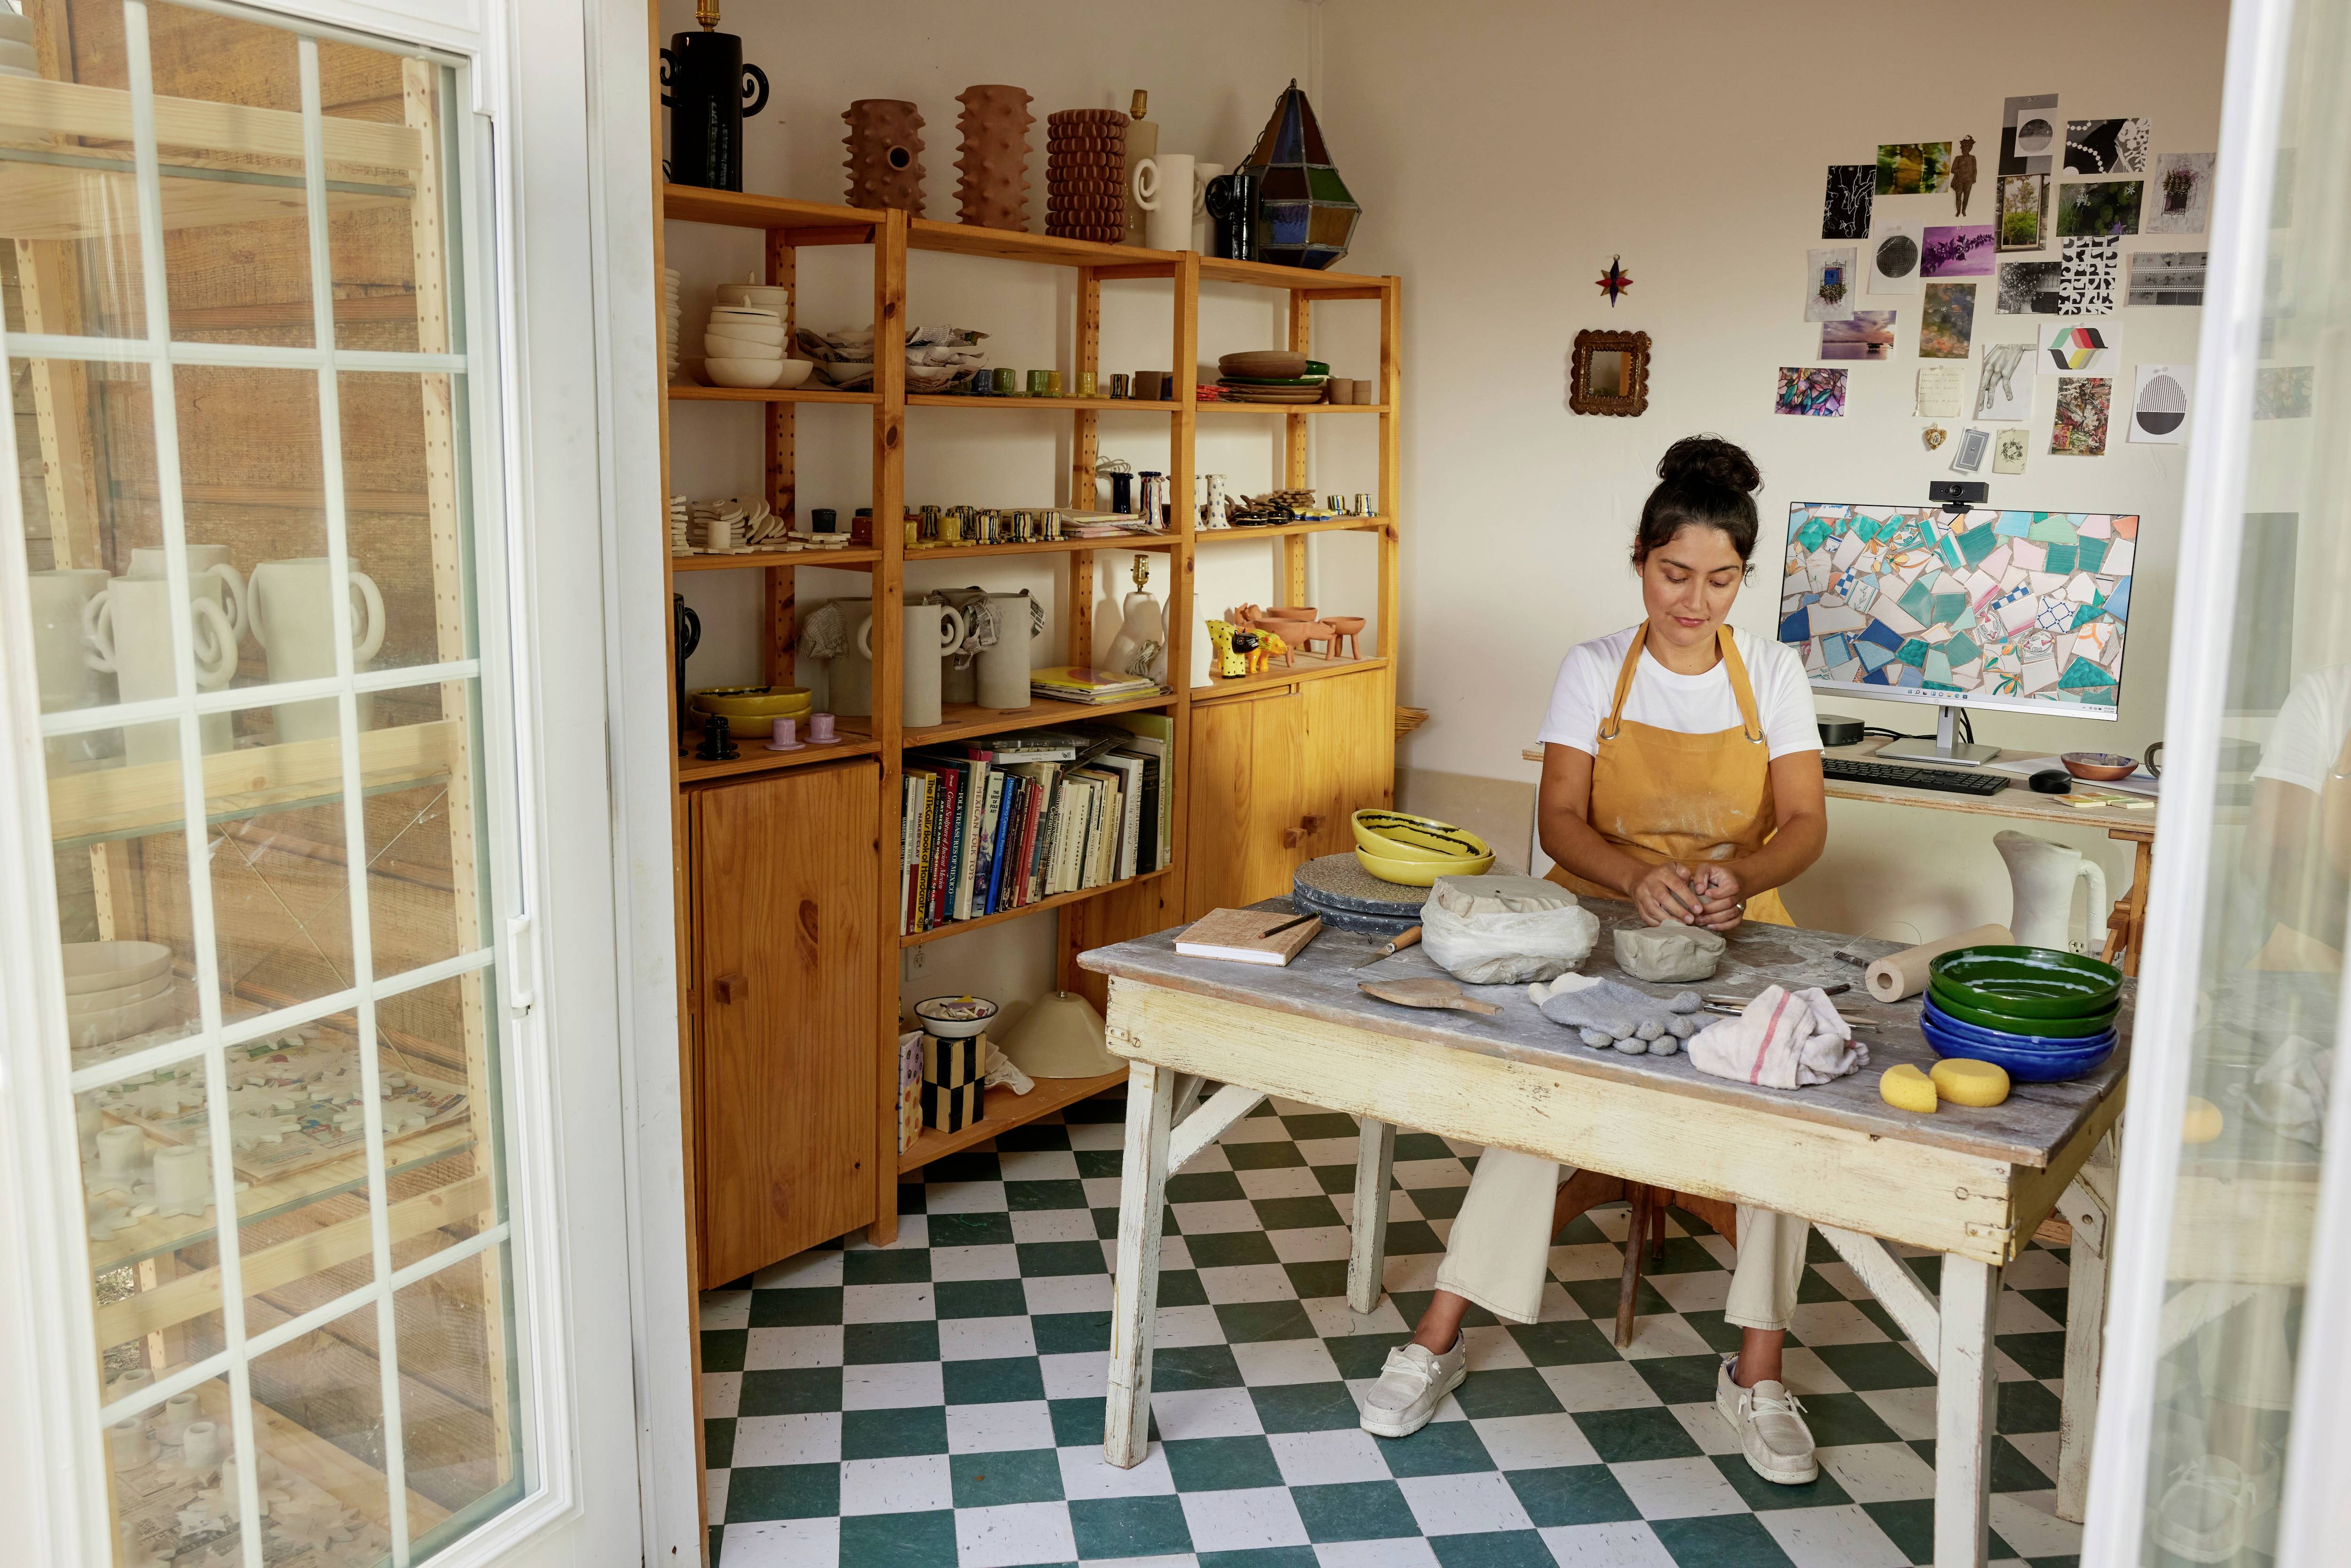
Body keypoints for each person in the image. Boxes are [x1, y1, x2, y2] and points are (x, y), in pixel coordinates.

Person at [1357, 436, 1832, 1487]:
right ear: (1639, 560)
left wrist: (1739, 877)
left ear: (1742, 578)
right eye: (1674, 575)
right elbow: (1561, 823)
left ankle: (1757, 1372)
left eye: (1719, 580)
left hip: (1738, 930)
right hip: (1597, 921)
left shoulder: (1775, 671)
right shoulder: (1592, 667)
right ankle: (1435, 1338)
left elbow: (1803, 823)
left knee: (1778, 1112)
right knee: (1542, 1100)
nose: (1693, 601)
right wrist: (1633, 882)